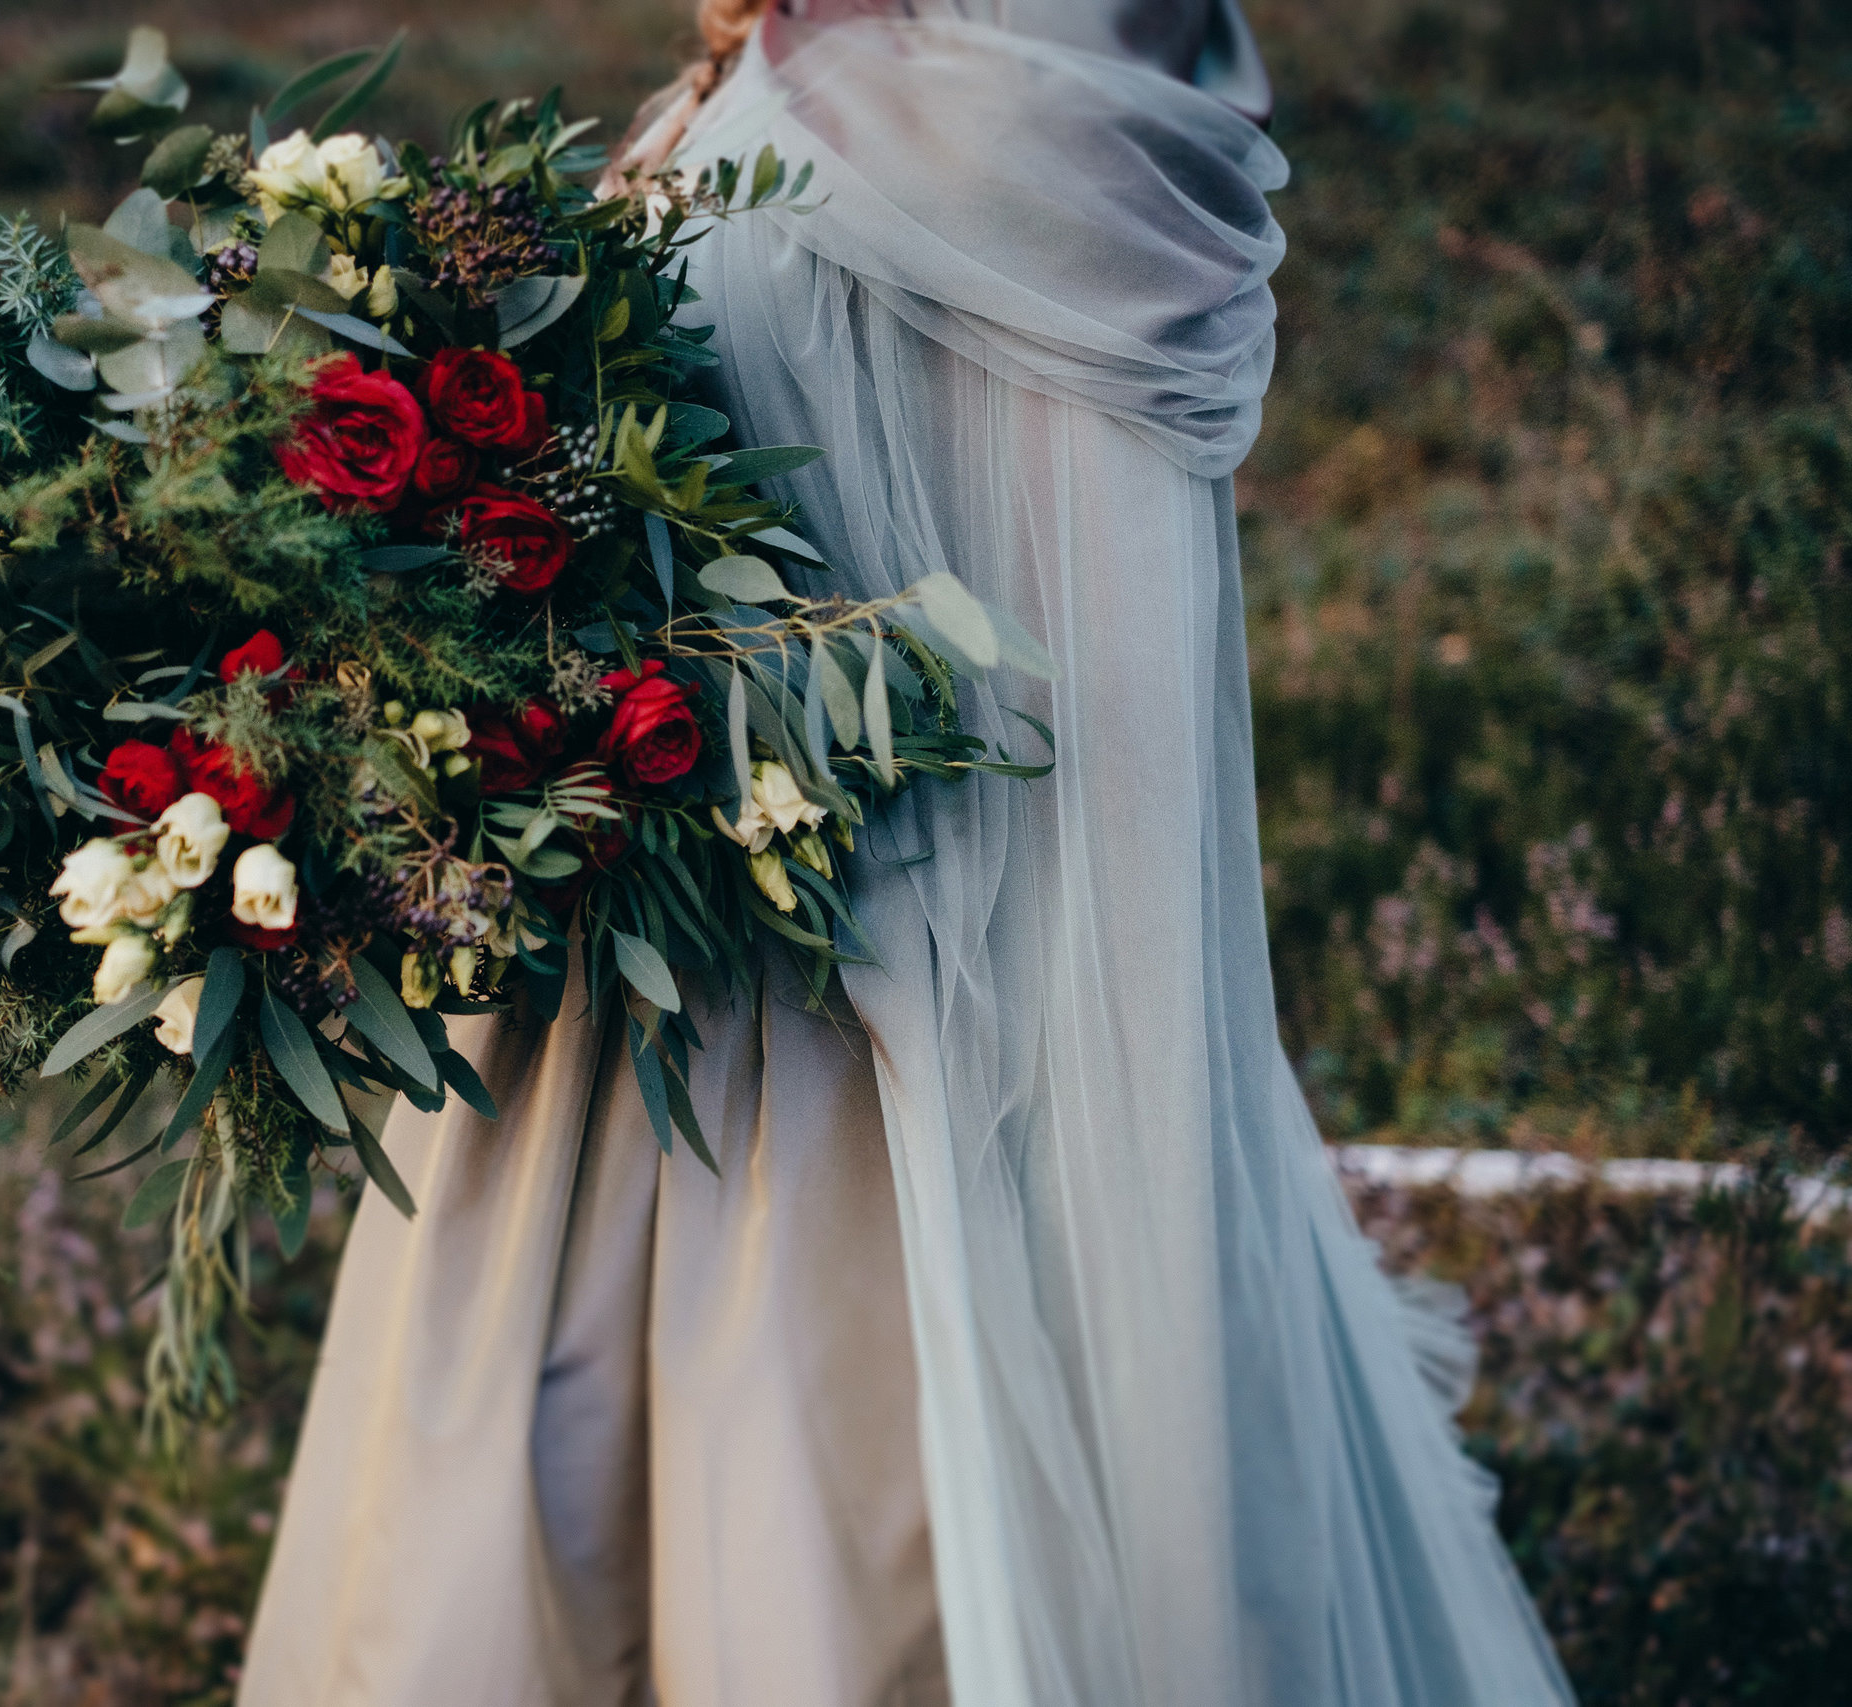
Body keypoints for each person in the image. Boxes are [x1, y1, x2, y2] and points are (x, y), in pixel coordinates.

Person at [241, 4, 1576, 1703]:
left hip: (873, 1008)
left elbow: (1077, 681)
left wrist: (988, 1053)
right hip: (618, 969)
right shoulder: (753, 59)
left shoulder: (1022, 76)